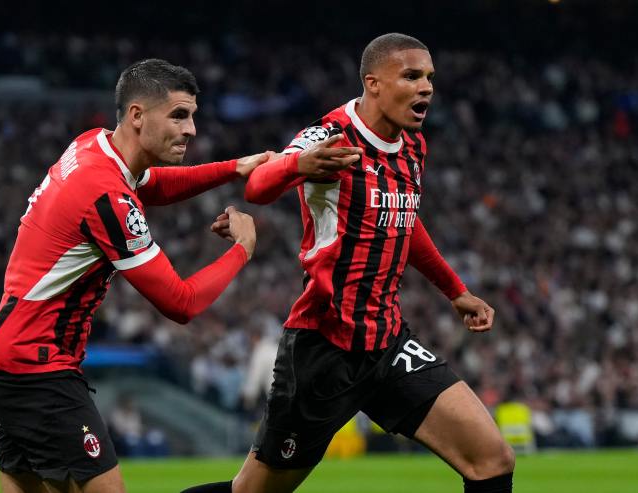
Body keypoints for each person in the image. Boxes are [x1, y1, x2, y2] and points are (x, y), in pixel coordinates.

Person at [183, 33, 515, 493]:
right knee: (254, 492)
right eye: (412, 76)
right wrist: (299, 165)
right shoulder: (329, 135)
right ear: (373, 83)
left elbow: (404, 222)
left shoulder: (413, 146)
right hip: (325, 347)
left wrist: (455, 291)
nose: (426, 87)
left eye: (429, 78)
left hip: (388, 342)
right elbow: (257, 186)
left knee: (492, 460)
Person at [0, 58, 267, 493]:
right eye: (178, 115)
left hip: (9, 357)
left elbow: (151, 186)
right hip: (37, 366)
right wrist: (243, 249)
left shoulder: (92, 145)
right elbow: (181, 303)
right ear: (137, 115)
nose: (191, 130)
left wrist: (233, 168)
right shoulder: (105, 195)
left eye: (192, 117)